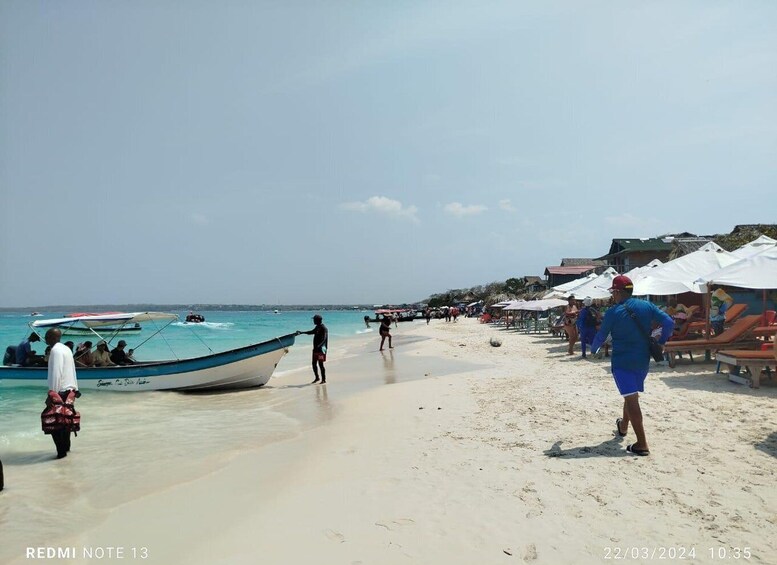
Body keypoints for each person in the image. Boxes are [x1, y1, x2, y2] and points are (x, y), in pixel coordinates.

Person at [592, 275, 673, 457]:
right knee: (630, 395)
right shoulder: (647, 305)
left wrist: (593, 350)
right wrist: (662, 342)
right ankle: (623, 426)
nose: (613, 296)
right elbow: (669, 322)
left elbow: (601, 336)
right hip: (643, 361)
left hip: (622, 361)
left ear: (618, 292)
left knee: (632, 400)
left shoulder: (613, 312)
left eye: (613, 292)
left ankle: (642, 444)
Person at [40, 328, 80, 459]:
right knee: (66, 422)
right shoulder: (66, 349)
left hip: (60, 392)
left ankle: (61, 453)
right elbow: (72, 371)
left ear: (52, 337)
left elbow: (56, 374)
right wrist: (75, 388)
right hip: (70, 392)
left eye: (46, 335)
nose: (45, 338)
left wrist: (52, 394)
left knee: (53, 423)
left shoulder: (55, 350)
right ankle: (66, 450)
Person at [296, 314, 328, 384]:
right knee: (314, 364)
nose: (313, 321)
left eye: (314, 320)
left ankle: (323, 379)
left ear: (318, 320)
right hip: (315, 350)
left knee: (321, 364)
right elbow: (311, 332)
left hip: (321, 350)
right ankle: (317, 377)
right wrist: (302, 332)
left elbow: (325, 338)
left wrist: (320, 345)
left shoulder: (323, 328)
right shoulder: (317, 327)